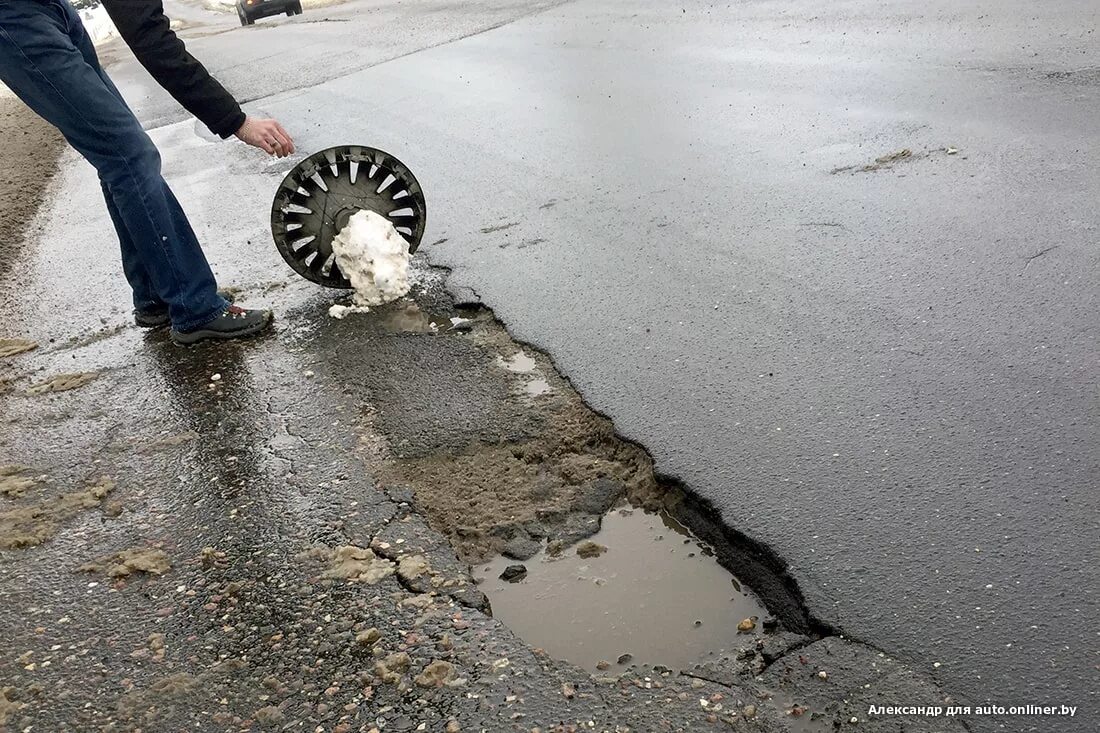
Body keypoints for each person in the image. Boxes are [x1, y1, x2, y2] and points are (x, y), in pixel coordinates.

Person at [0, 0, 295, 344]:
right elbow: (150, 37)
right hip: (14, 18)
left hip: (53, 10)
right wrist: (237, 121)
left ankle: (156, 294)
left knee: (116, 153)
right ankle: (194, 306)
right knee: (128, 154)